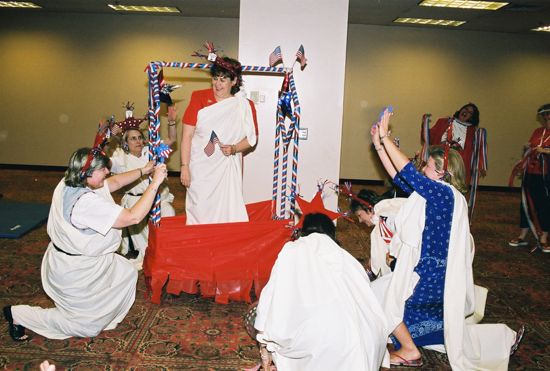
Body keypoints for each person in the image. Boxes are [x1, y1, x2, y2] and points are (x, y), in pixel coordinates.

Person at [372, 107, 521, 370]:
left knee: (381, 296)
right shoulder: (436, 193)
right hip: (427, 270)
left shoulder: (443, 195)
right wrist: (379, 146)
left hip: (428, 274)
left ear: (442, 173)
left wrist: (385, 138)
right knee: (387, 293)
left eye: (428, 165)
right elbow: (400, 178)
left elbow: (407, 172)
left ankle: (409, 350)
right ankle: (499, 339)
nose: (423, 166)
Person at [3, 144, 168, 341]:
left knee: (125, 272)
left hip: (87, 261)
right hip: (74, 271)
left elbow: (113, 182)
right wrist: (155, 183)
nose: (107, 172)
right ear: (86, 172)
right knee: (84, 327)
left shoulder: (70, 180)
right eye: (102, 169)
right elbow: (132, 217)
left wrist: (143, 170)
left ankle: (98, 315)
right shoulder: (85, 204)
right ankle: (17, 314)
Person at [254, 213, 388, 371]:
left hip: (324, 340)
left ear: (304, 230)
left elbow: (272, 294)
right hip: (370, 339)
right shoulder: (345, 256)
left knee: (273, 325)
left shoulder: (292, 248)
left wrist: (263, 335)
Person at [180, 56, 258, 225]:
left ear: (234, 81)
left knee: (227, 209)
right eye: (215, 79)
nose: (218, 84)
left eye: (223, 79)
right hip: (200, 165)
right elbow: (187, 135)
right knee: (199, 207)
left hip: (227, 167)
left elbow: (252, 139)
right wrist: (184, 166)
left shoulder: (244, 105)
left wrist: (235, 148)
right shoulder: (198, 97)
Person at [109, 104, 177, 268]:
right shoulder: (120, 157)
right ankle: (147, 253)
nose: (138, 141)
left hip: (157, 197)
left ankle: (168, 250)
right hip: (135, 201)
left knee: (169, 211)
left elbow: (171, 139)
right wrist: (109, 136)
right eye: (133, 138)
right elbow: (105, 163)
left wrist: (172, 122)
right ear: (125, 142)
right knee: (136, 223)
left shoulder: (150, 151)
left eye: (140, 137)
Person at [509, 103, 550, 252]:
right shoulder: (538, 131)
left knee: (544, 205)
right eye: (544, 114)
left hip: (546, 178)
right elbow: (532, 148)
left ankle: (544, 237)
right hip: (531, 174)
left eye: (549, 114)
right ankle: (522, 235)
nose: (547, 117)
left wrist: (545, 151)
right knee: (525, 204)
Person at [425, 103, 485, 186]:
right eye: (465, 109)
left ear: (472, 117)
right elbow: (429, 138)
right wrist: (425, 124)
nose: (466, 112)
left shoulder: (473, 132)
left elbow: (478, 150)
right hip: (439, 161)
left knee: (453, 188)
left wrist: (480, 166)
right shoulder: (443, 122)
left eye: (470, 112)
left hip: (457, 165)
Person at [350, 189, 406, 276]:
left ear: (369, 209)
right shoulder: (383, 219)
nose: (360, 220)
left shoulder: (388, 217)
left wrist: (393, 262)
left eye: (359, 215)